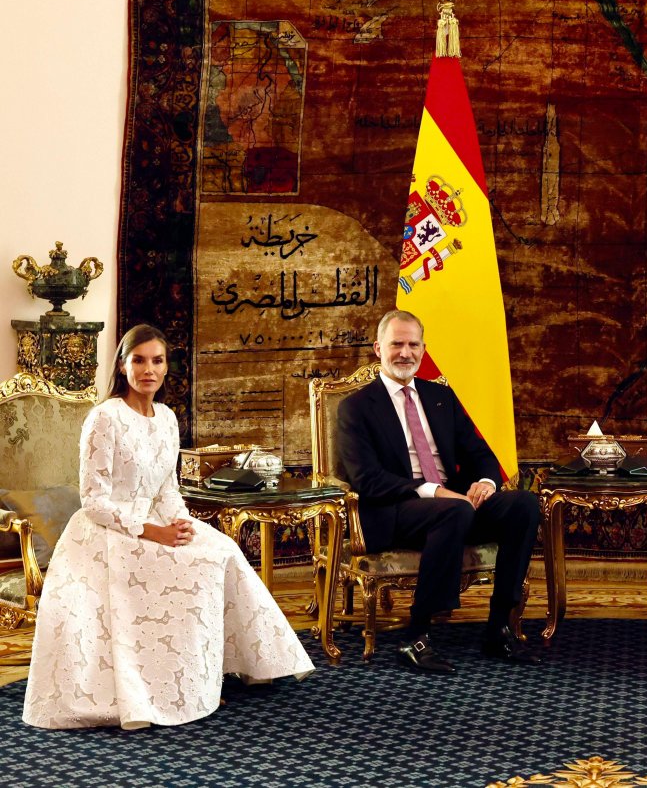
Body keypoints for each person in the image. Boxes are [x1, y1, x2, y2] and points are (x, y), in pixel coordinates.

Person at [22, 325, 313, 730]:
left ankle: (215, 672)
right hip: (109, 533)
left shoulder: (168, 419)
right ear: (123, 366)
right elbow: (93, 500)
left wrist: (179, 521)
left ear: (166, 367)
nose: (149, 369)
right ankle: (168, 688)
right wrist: (151, 532)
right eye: (138, 360)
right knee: (188, 570)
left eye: (157, 361)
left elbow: (166, 489)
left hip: (158, 520)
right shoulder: (104, 418)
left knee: (220, 551)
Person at [337, 310, 541, 673]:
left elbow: (480, 453)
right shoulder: (356, 407)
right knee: (456, 510)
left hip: (455, 506)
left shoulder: (441, 397)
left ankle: (499, 627)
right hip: (394, 510)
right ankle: (416, 636)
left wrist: (485, 482)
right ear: (377, 348)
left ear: (423, 349)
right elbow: (366, 478)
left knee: (522, 504)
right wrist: (434, 491)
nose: (405, 352)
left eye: (413, 344)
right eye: (396, 344)